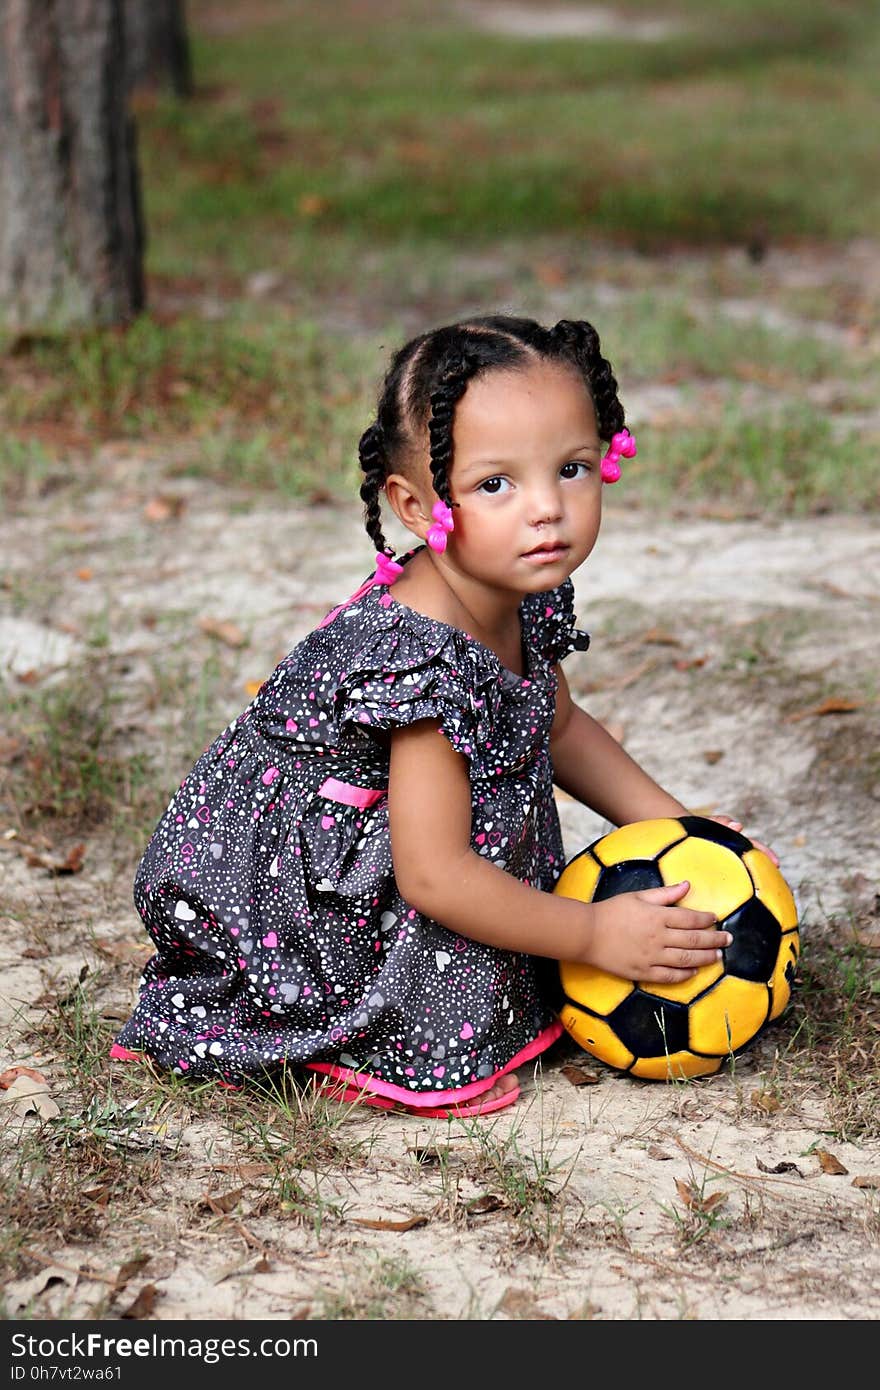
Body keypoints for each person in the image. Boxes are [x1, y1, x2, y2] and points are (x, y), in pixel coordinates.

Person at [111, 313, 777, 1118]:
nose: (546, 511)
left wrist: (689, 837)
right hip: (311, 893)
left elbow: (558, 726)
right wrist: (594, 935)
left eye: (570, 469)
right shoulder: (418, 660)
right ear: (419, 507)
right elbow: (434, 875)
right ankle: (346, 1026)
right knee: (462, 928)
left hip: (421, 849)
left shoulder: (513, 588)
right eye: (495, 484)